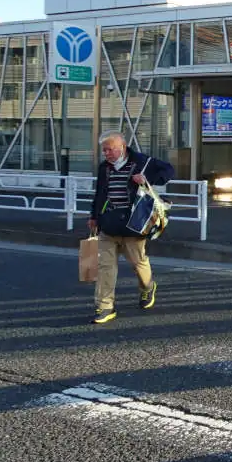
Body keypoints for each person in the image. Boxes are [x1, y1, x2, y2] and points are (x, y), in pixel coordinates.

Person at [88, 131, 175, 324]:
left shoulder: (142, 162)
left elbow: (168, 170)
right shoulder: (104, 168)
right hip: (109, 223)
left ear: (123, 147)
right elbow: (100, 193)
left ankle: (148, 287)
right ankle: (104, 307)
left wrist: (146, 180)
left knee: (139, 263)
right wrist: (94, 216)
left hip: (133, 224)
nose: (107, 153)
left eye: (110, 149)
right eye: (104, 150)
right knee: (105, 268)